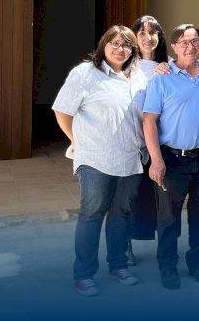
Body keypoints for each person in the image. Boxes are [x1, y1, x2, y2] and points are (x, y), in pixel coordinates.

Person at [53, 25, 148, 297]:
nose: (120, 49)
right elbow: (62, 111)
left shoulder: (138, 76)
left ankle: (118, 266)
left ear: (133, 51)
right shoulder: (85, 73)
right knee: (92, 214)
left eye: (126, 45)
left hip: (130, 159)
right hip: (95, 159)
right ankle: (84, 275)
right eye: (114, 43)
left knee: (121, 214)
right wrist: (77, 140)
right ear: (103, 45)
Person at [143, 24, 199, 290]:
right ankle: (168, 267)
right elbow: (149, 121)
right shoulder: (161, 78)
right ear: (174, 47)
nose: (190, 46)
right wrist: (156, 160)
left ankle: (197, 263)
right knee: (168, 218)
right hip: (172, 160)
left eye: (195, 41)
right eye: (184, 42)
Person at [125, 15, 168, 267]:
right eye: (141, 33)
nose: (147, 37)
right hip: (131, 143)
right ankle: (124, 247)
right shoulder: (125, 66)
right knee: (127, 197)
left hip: (160, 143)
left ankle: (166, 249)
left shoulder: (169, 65)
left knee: (160, 198)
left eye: (153, 32)